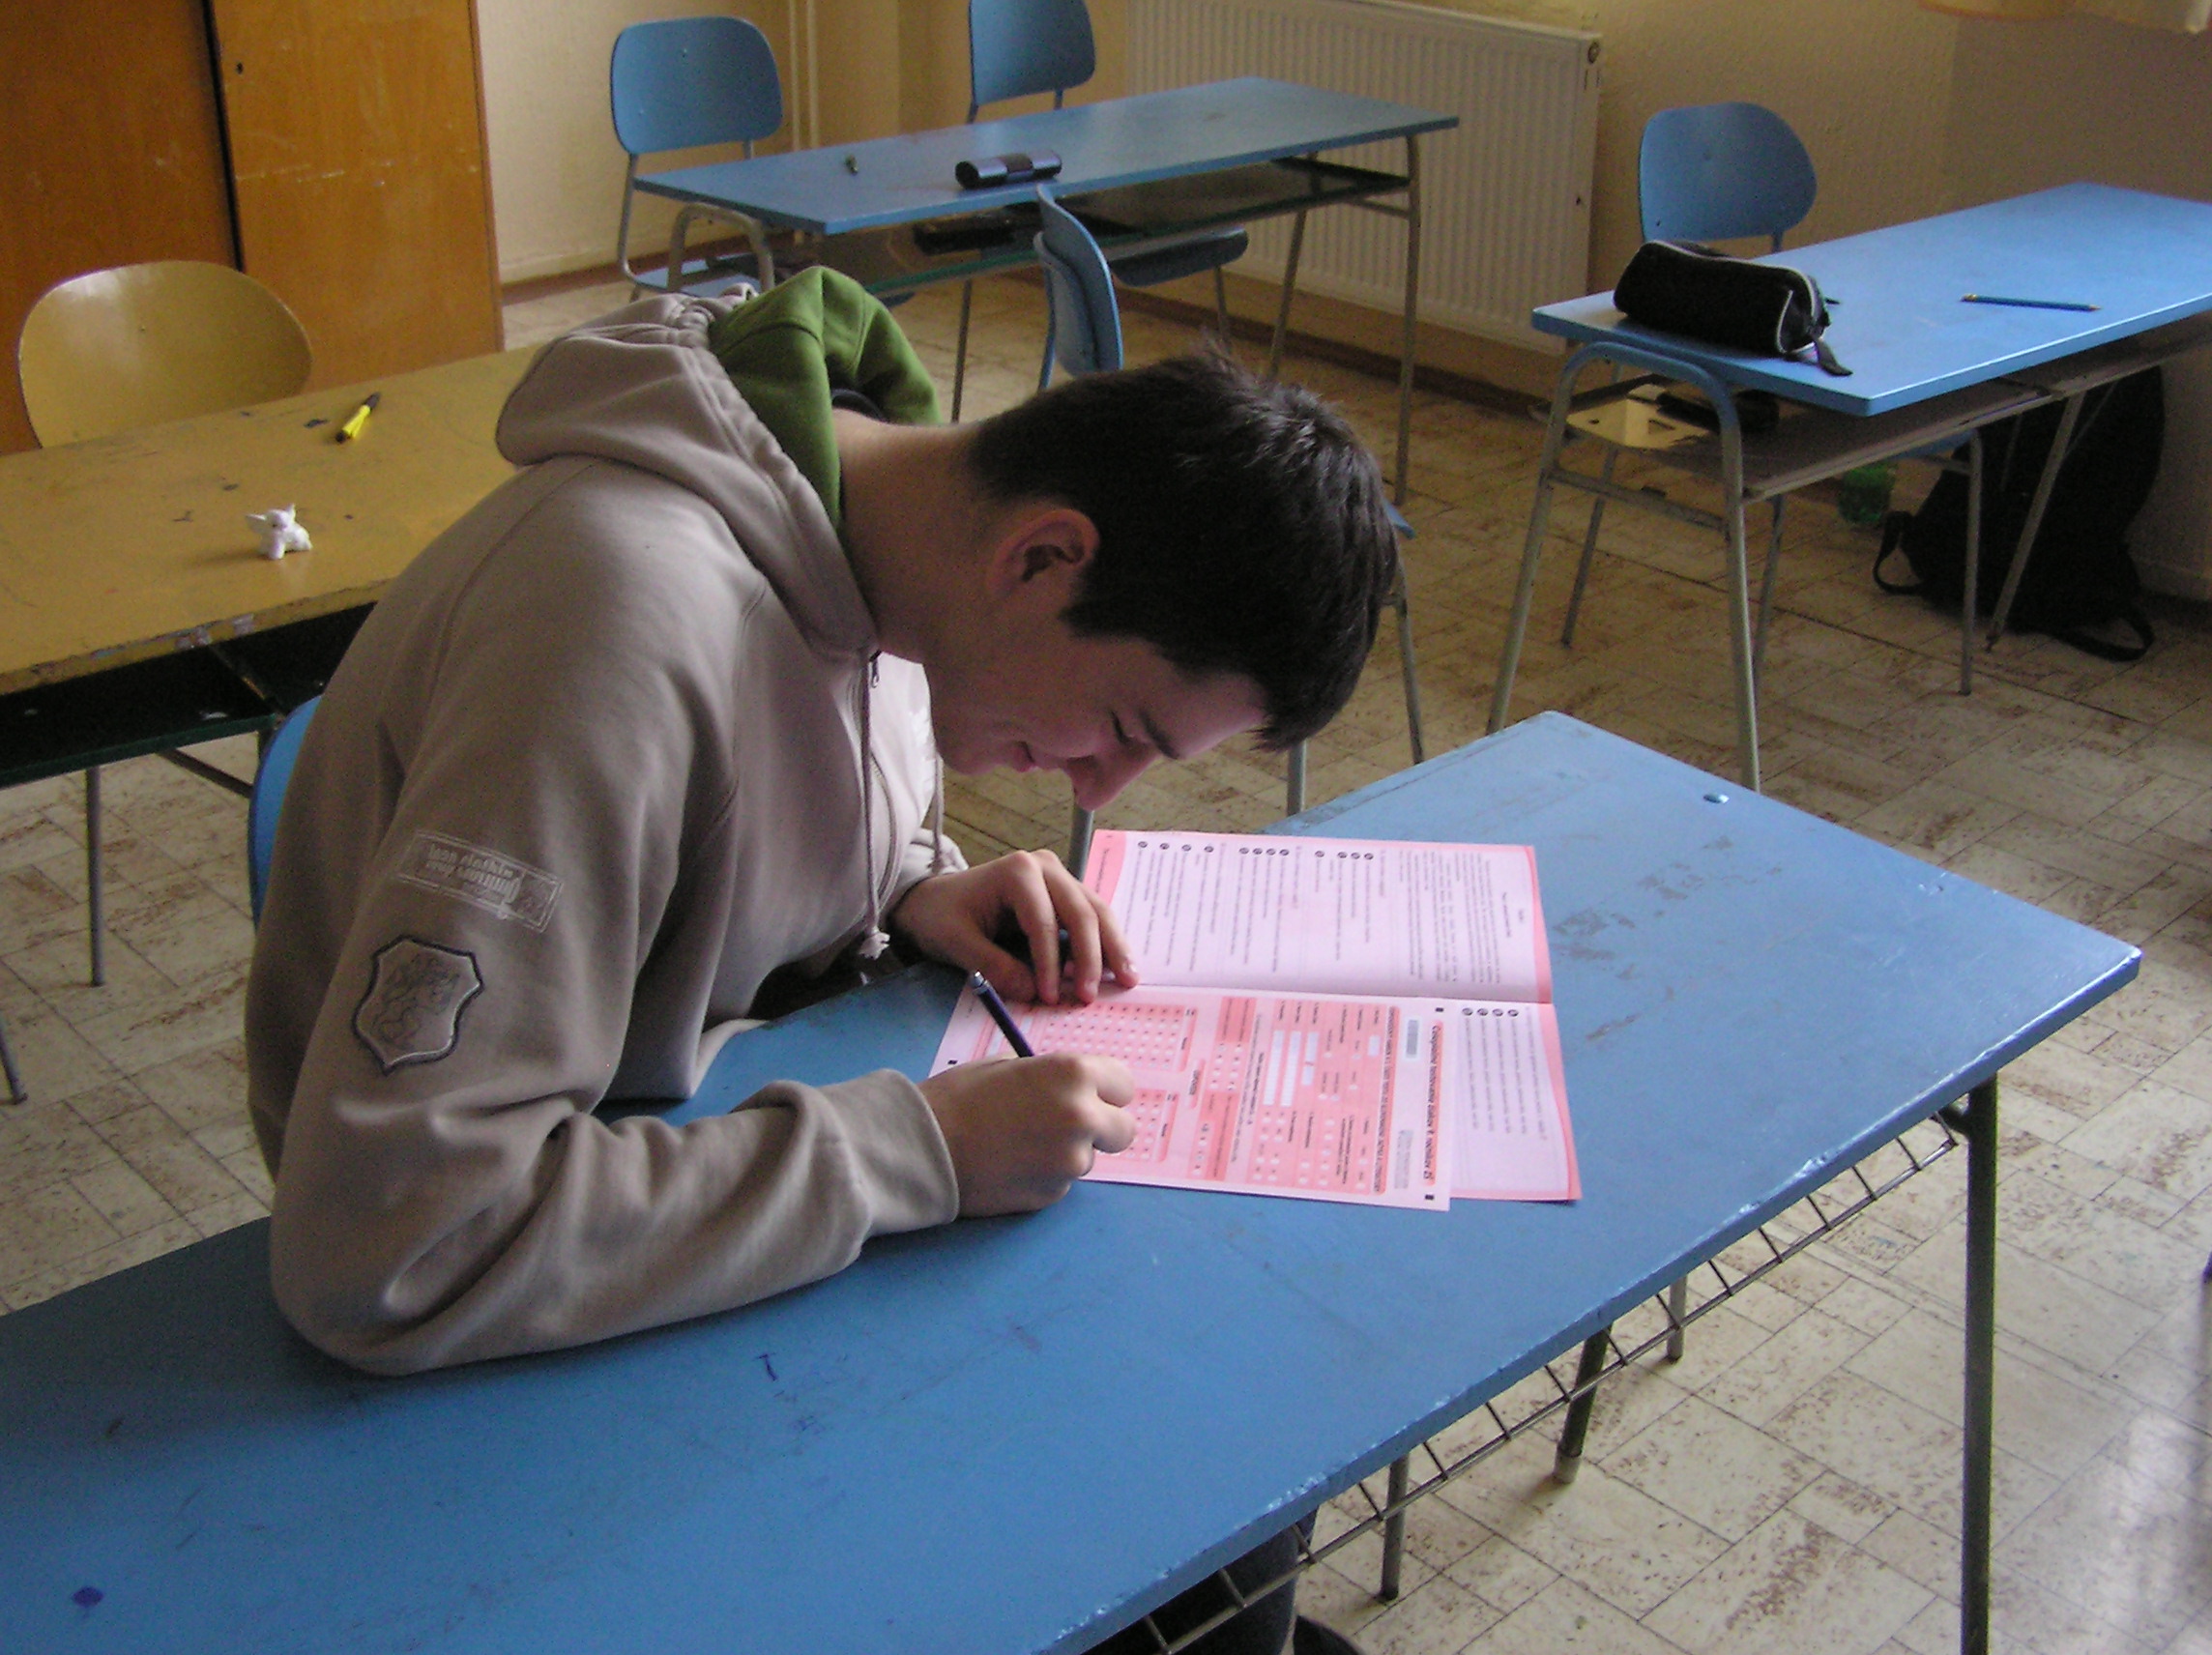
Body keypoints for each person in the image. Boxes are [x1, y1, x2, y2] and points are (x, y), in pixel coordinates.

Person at [246, 270, 1389, 1647]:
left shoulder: (890, 541)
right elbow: (388, 1242)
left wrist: (912, 889)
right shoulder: (608, 626)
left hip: (710, 1169)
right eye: (1127, 728)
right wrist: (921, 1152)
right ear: (1043, 558)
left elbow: (753, 813)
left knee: (1221, 1476)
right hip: (507, 1372)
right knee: (1174, 1538)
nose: (1101, 792)